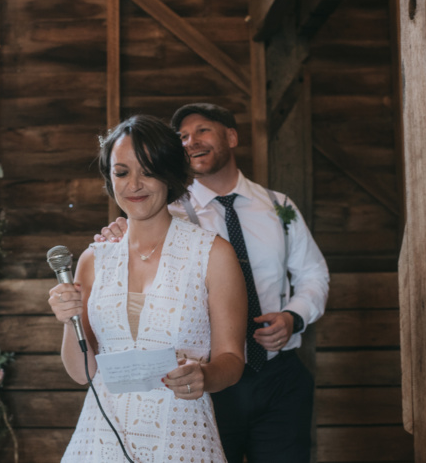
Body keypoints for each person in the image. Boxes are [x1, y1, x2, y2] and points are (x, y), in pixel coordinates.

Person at [95, 103, 330, 463]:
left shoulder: (277, 206)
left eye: (202, 131)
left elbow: (313, 274)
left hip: (278, 373)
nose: (191, 142)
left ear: (231, 136)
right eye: (183, 137)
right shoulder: (165, 213)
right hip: (207, 381)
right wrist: (121, 232)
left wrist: (292, 317)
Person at [49, 114, 248, 462]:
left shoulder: (213, 253)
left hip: (182, 437)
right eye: (122, 172)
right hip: (100, 442)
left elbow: (232, 360)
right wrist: (69, 321)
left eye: (149, 170)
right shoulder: (93, 260)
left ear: (170, 173)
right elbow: (82, 374)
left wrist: (204, 376)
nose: (134, 185)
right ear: (110, 179)